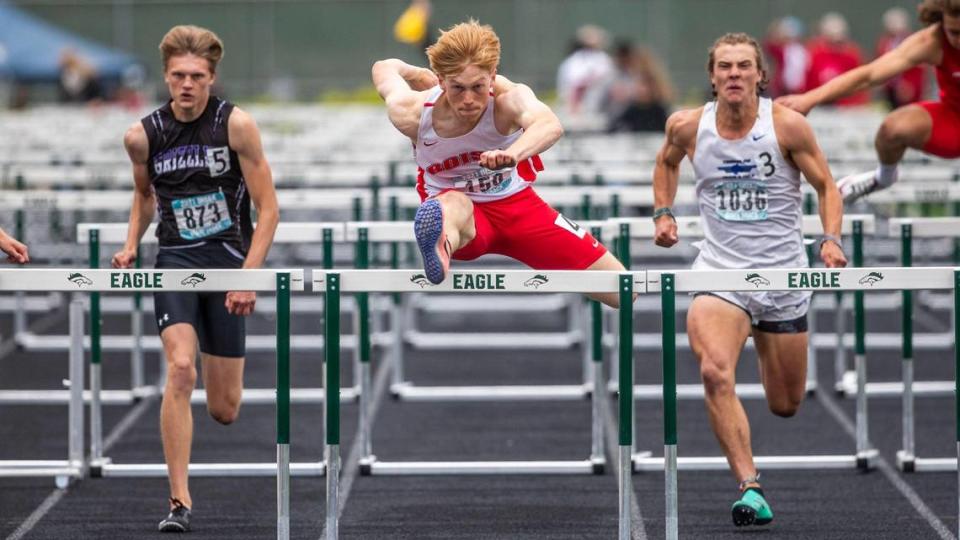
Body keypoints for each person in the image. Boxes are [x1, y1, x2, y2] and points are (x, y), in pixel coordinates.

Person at [652, 32, 847, 527]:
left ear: (761, 75)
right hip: (721, 272)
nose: (734, 74)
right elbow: (666, 163)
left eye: (743, 66)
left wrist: (830, 238)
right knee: (715, 371)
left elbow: (826, 186)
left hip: (783, 275)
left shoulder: (787, 126)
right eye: (725, 67)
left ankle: (762, 334)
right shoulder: (687, 126)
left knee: (786, 404)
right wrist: (663, 213)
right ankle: (750, 486)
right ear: (712, 76)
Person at [110, 25, 279, 532]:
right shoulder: (143, 135)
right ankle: (179, 502)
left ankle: (214, 395)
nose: (187, 85)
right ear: (166, 76)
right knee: (181, 369)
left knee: (225, 409)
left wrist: (248, 277)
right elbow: (144, 195)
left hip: (228, 263)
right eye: (179, 76)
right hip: (177, 263)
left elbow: (268, 209)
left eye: (197, 77)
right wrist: (129, 244)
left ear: (212, 77)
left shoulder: (237, 126)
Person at [372, 19, 627, 307]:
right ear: (441, 81)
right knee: (451, 204)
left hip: (518, 207)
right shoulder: (413, 112)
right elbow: (384, 67)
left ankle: (443, 236)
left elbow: (549, 125)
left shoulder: (509, 97)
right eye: (457, 88)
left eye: (478, 87)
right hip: (462, 214)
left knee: (622, 290)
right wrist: (417, 72)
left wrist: (513, 154)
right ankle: (441, 244)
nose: (469, 99)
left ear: (492, 77)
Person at [778, 0, 960, 202]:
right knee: (892, 128)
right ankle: (883, 177)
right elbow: (870, 75)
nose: (959, 40)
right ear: (941, 23)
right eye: (954, 32)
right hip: (953, 119)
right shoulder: (932, 41)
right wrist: (809, 98)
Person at [556, 24, 615, 120]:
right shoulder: (574, 61)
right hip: (578, 111)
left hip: (602, 109)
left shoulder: (604, 60)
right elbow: (575, 87)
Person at [876, 7, 927, 109]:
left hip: (907, 89)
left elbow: (919, 68)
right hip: (890, 88)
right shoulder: (884, 42)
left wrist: (911, 84)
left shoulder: (913, 41)